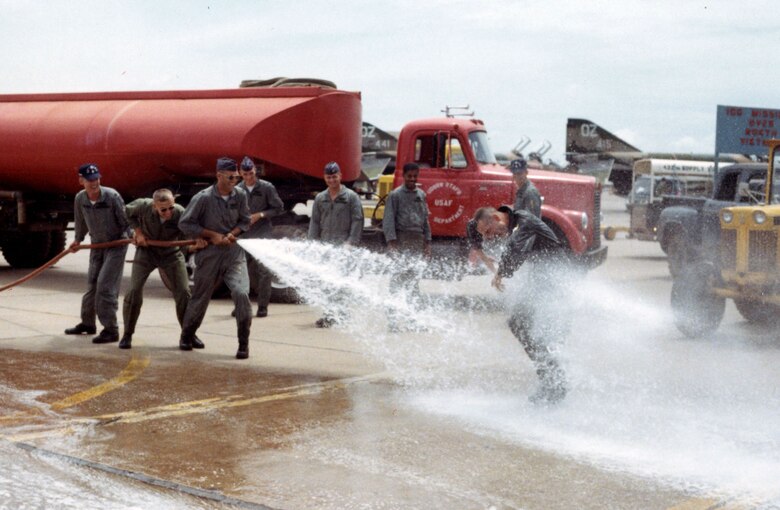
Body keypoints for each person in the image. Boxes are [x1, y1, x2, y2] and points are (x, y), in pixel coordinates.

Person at [473, 206, 569, 405]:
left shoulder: (523, 222)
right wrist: (483, 254)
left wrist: (501, 273)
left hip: (552, 281)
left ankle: (554, 381)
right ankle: (551, 380)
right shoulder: (513, 223)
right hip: (542, 279)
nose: (491, 237)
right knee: (521, 324)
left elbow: (517, 247)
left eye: (490, 232)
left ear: (496, 217)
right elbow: (472, 227)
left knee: (523, 324)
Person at [178, 157, 253, 359]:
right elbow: (185, 224)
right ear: (218, 175)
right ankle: (187, 335)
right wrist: (211, 235)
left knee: (241, 294)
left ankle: (243, 344)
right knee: (200, 297)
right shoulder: (203, 198)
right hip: (209, 255)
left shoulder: (240, 195)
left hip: (234, 254)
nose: (234, 180)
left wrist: (233, 233)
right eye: (230, 177)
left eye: (236, 177)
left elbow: (245, 221)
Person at [119, 189, 207, 349]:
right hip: (147, 252)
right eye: (163, 209)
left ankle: (188, 335)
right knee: (133, 291)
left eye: (171, 208)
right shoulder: (143, 206)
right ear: (154, 206)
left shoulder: (180, 212)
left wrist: (194, 245)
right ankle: (127, 334)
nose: (168, 212)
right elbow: (125, 212)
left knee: (183, 292)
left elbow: (191, 232)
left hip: (171, 254)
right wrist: (137, 232)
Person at [65, 163, 130, 344]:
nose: (94, 183)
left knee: (105, 286)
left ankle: (111, 329)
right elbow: (80, 221)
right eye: (90, 180)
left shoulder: (112, 196)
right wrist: (77, 240)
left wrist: (135, 236)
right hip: (96, 246)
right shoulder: (80, 198)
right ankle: (87, 324)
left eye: (97, 179)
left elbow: (126, 221)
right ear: (81, 181)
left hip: (116, 245)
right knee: (92, 285)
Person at [307, 161, 363, 328]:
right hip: (325, 246)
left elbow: (358, 221)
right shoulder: (320, 198)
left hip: (343, 246)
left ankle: (343, 315)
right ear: (325, 178)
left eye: (334, 176)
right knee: (326, 282)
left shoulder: (351, 197)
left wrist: (351, 242)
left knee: (341, 283)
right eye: (329, 177)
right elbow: (315, 222)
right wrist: (313, 245)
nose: (332, 180)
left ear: (341, 176)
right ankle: (329, 314)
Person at [382, 163, 431, 331]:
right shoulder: (395, 195)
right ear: (404, 176)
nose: (412, 179)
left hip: (417, 241)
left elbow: (425, 220)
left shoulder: (421, 195)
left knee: (413, 283)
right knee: (396, 283)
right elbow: (388, 219)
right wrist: (392, 242)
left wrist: (427, 242)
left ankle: (413, 321)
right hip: (401, 240)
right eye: (409, 176)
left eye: (415, 176)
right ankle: (393, 322)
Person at [235, 156, 285, 318]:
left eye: (251, 173)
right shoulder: (237, 190)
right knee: (241, 271)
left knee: (263, 272)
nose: (248, 177)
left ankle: (262, 306)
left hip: (262, 234)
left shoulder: (266, 188)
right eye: (245, 174)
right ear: (240, 173)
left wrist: (261, 215)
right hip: (244, 235)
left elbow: (278, 208)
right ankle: (241, 306)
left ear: (255, 171)